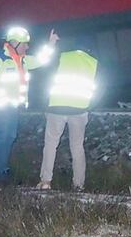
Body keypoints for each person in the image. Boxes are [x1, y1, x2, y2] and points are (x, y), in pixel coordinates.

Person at [0, 26, 57, 185]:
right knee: (1, 137)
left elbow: (41, 60)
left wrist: (50, 45)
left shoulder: (22, 60)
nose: (27, 47)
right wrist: (1, 104)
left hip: (11, 107)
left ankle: (1, 171)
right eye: (25, 43)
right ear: (14, 43)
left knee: (8, 137)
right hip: (0, 107)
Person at [37, 45, 98, 192]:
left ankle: (45, 181)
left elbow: (46, 81)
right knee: (77, 147)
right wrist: (89, 106)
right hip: (79, 110)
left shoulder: (62, 57)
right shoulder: (93, 62)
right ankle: (78, 185)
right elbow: (98, 89)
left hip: (56, 107)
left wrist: (46, 105)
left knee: (51, 145)